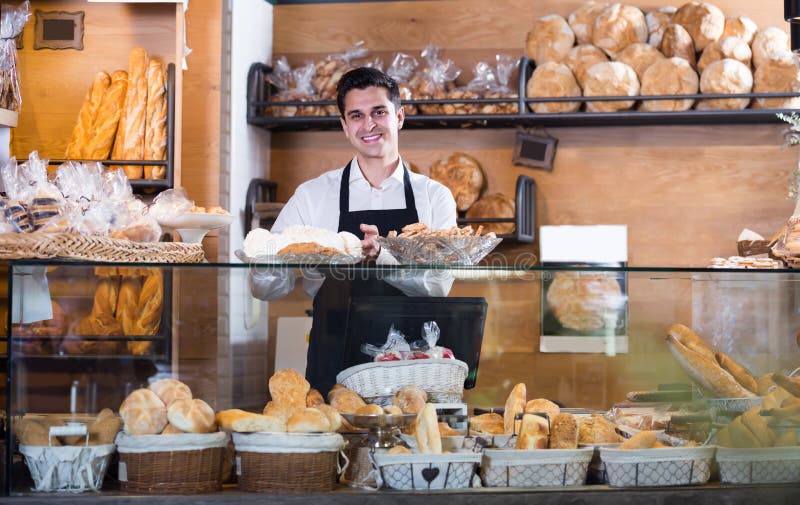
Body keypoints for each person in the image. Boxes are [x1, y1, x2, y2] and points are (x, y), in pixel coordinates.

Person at [250, 67, 457, 394]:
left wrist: (384, 256)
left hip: (415, 363)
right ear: (345, 126)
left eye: (379, 112)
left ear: (399, 117)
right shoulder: (313, 195)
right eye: (356, 116)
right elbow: (266, 290)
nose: (369, 125)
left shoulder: (434, 196)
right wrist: (265, 256)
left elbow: (438, 286)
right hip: (333, 360)